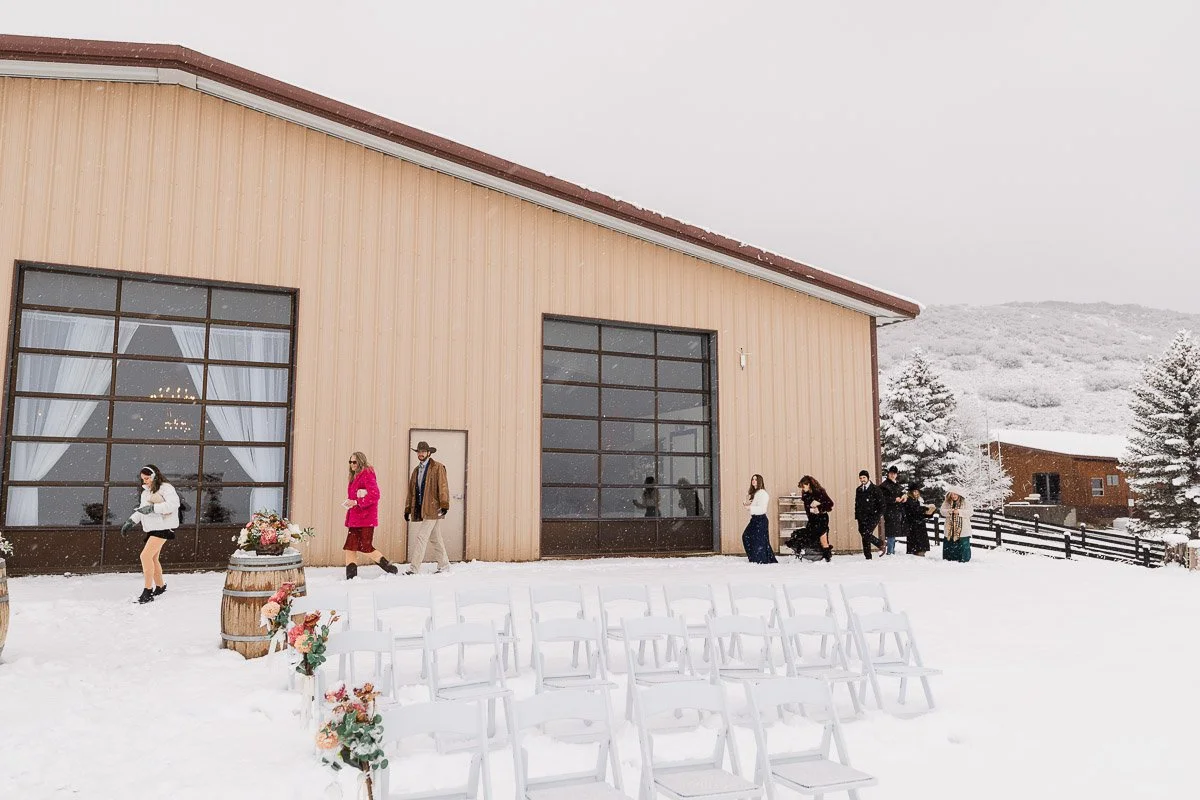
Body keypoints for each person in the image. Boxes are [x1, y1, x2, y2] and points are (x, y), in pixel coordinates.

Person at [119, 465, 181, 604]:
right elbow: (142, 510)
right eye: (143, 479)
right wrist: (131, 521)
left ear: (154, 476)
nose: (145, 481)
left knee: (145, 556)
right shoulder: (146, 492)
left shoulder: (166, 488)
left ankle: (148, 591)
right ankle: (160, 586)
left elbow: (174, 504)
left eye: (147, 478)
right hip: (153, 528)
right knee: (152, 558)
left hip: (164, 527)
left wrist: (154, 508)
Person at [342, 451, 400, 579]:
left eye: (354, 462)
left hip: (365, 518)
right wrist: (351, 502)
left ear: (361, 462)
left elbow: (375, 495)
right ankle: (351, 576)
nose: (352, 464)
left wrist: (357, 501)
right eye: (350, 462)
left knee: (365, 546)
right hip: (355, 518)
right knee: (350, 547)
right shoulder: (354, 477)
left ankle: (388, 567)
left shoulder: (367, 474)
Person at [405, 441, 452, 575]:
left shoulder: (437, 467)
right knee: (435, 538)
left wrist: (444, 504)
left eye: (423, 451)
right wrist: (407, 508)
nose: (421, 454)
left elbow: (443, 487)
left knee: (421, 537)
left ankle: (414, 569)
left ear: (429, 453)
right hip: (423, 509)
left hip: (433, 508)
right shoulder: (416, 470)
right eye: (419, 452)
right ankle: (444, 565)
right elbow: (411, 492)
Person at [741, 474, 777, 564]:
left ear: (760, 481)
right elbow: (754, 506)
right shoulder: (755, 493)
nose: (753, 481)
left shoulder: (762, 493)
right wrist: (747, 504)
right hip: (755, 519)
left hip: (760, 519)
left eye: (756, 479)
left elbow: (762, 509)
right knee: (748, 537)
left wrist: (749, 508)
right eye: (752, 479)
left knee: (759, 541)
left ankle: (761, 559)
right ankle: (755, 558)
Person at [799, 475, 835, 562]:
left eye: (804, 486)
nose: (803, 489)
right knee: (812, 537)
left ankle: (827, 558)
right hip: (812, 519)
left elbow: (830, 504)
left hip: (821, 518)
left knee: (823, 538)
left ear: (809, 484)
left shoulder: (820, 492)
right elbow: (808, 508)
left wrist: (819, 508)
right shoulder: (805, 494)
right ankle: (818, 556)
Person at [854, 469, 885, 559]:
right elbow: (857, 503)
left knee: (866, 533)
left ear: (868, 477)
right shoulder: (859, 489)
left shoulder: (875, 489)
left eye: (864, 477)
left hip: (873, 516)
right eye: (860, 478)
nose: (862, 479)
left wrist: (879, 514)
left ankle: (880, 543)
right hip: (861, 516)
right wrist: (857, 515)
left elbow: (882, 504)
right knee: (864, 535)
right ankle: (868, 557)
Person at [940, 484, 974, 563]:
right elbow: (942, 511)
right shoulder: (946, 503)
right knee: (949, 543)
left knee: (963, 543)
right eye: (952, 494)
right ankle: (949, 558)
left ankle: (964, 559)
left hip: (962, 528)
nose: (953, 496)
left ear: (959, 494)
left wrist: (959, 512)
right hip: (950, 528)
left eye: (955, 494)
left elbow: (970, 512)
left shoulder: (965, 503)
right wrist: (949, 511)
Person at [879, 465, 906, 555]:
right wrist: (894, 499)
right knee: (891, 532)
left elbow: (902, 493)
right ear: (888, 474)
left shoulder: (897, 485)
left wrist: (903, 497)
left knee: (893, 532)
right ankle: (890, 551)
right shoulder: (884, 486)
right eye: (891, 473)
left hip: (897, 510)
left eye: (894, 474)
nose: (892, 475)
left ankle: (892, 550)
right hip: (889, 511)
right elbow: (882, 499)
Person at [903, 484, 936, 556]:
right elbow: (914, 510)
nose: (916, 493)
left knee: (920, 543)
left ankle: (919, 551)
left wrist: (929, 513)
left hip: (919, 524)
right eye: (914, 491)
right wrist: (925, 509)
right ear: (911, 492)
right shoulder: (908, 500)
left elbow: (918, 511)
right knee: (916, 543)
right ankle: (917, 552)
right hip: (913, 524)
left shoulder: (916, 500)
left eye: (917, 491)